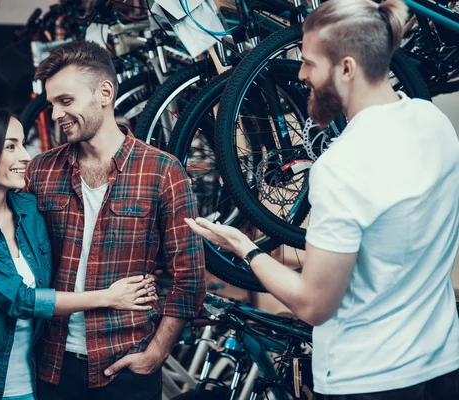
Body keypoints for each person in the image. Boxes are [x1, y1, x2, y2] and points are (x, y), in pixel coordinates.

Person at [186, 0, 459, 398]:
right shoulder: (433, 122)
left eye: (309, 63)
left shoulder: (342, 166)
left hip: (369, 379)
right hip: (442, 366)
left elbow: (314, 305)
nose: (300, 74)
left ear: (347, 68)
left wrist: (245, 248)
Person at [0, 41, 206, 400]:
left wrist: (156, 353)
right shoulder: (41, 170)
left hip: (125, 361)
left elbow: (190, 277)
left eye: (66, 101)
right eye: (52, 103)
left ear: (104, 93)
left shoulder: (162, 171)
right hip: (50, 365)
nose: (56, 114)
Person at [0, 105, 157, 400]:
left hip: (32, 383)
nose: (25, 156)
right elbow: (19, 299)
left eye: (22, 143)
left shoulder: (31, 209)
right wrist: (109, 297)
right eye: (11, 146)